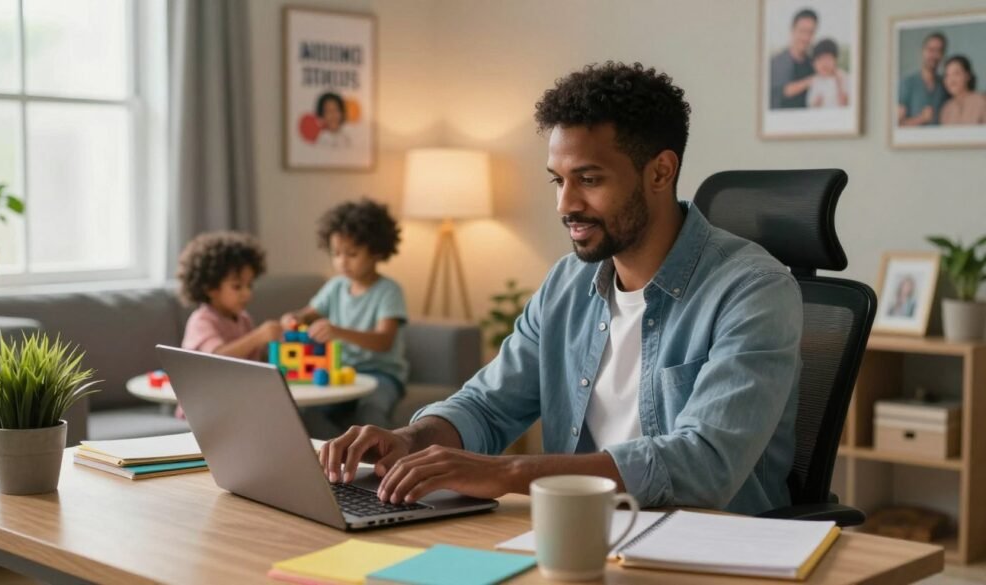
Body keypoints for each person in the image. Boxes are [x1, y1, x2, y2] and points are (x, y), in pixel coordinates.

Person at [320, 62, 803, 516]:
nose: (565, 204)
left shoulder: (754, 290)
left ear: (660, 171)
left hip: (706, 548)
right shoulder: (566, 283)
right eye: (558, 180)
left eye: (589, 179)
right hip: (574, 534)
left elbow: (703, 464)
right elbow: (488, 405)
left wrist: (508, 472)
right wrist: (412, 438)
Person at [281, 198, 407, 438]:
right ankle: (335, 457)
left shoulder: (389, 291)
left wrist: (338, 331)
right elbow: (307, 314)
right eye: (336, 253)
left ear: (376, 252)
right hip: (340, 372)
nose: (342, 261)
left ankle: (383, 466)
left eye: (352, 253)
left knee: (371, 412)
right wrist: (293, 318)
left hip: (382, 374)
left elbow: (384, 341)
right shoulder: (336, 286)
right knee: (311, 414)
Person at [178, 231, 282, 361]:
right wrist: (258, 337)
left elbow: (254, 361)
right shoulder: (201, 321)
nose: (247, 293)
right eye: (237, 286)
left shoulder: (244, 320)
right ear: (211, 288)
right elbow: (217, 359)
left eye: (249, 285)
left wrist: (272, 342)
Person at [770, 8, 818, 109]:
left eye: (810, 32)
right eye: (802, 31)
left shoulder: (813, 64)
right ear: (792, 31)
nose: (806, 37)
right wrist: (808, 82)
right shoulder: (776, 62)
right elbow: (777, 94)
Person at [898, 32, 948, 126]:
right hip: (914, 140)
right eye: (931, 50)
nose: (934, 55)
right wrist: (921, 119)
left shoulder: (945, 83)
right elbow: (897, 125)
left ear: (943, 55)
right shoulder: (907, 83)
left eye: (939, 51)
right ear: (923, 51)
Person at [939, 56, 986, 126]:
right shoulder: (946, 109)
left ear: (967, 76)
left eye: (956, 73)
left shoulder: (981, 101)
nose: (951, 80)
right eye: (947, 75)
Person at [806, 38, 849, 108]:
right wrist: (816, 104)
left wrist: (839, 84)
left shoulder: (843, 77)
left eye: (828, 59)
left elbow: (845, 105)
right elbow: (811, 106)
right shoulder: (815, 81)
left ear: (835, 59)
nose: (824, 64)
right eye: (820, 60)